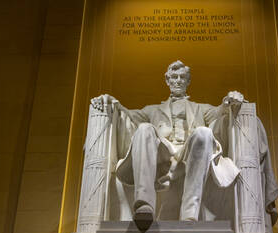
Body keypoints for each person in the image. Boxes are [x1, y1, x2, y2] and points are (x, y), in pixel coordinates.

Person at [91, 60, 244, 223]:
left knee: (204, 132)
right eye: (174, 77)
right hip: (163, 152)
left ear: (188, 81)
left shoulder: (201, 108)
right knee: (144, 128)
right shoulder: (152, 109)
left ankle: (190, 212)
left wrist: (230, 101)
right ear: (167, 81)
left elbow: (219, 112)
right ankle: (144, 205)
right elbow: (128, 115)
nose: (178, 80)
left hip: (189, 151)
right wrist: (112, 102)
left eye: (182, 77)